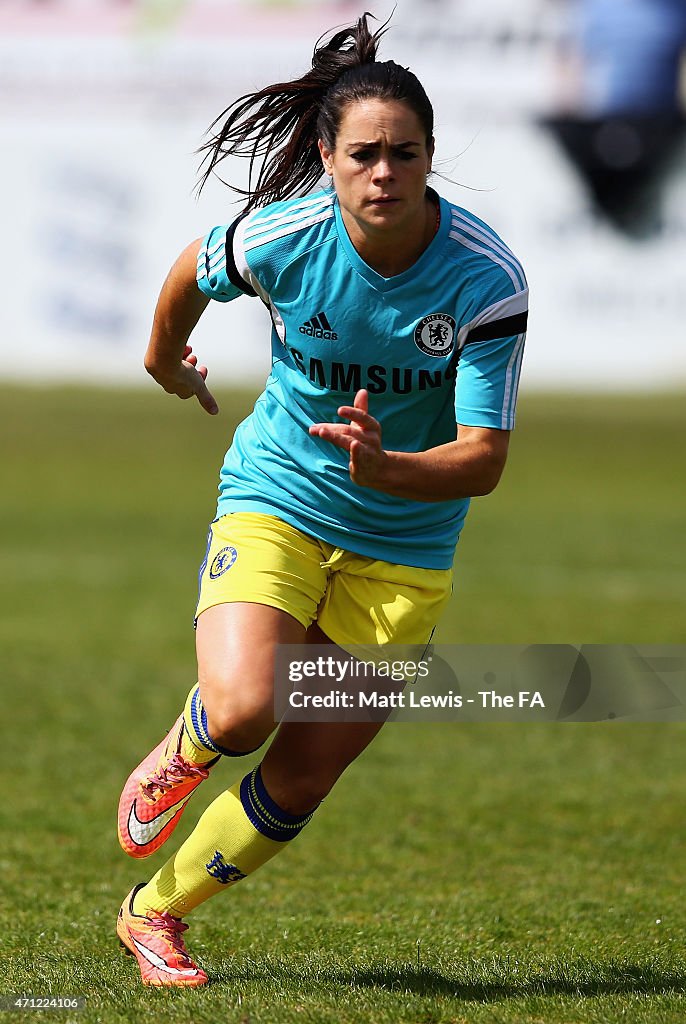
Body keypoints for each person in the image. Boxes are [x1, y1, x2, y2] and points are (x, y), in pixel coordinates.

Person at [115, 13, 528, 987]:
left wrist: (388, 470)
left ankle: (153, 916)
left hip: (405, 548)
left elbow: (480, 461)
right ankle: (192, 738)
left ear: (428, 157)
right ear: (325, 156)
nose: (384, 172)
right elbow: (191, 269)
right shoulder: (283, 236)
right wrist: (162, 360)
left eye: (404, 153)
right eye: (363, 155)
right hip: (280, 500)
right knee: (246, 705)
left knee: (302, 774)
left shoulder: (483, 280)